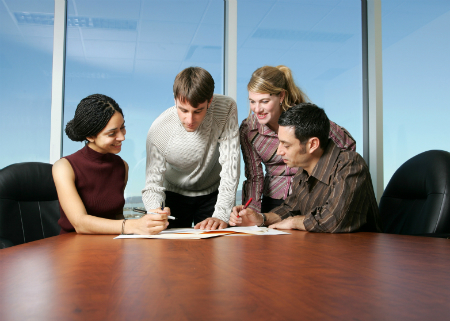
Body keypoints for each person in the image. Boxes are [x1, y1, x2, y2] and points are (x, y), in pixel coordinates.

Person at [230, 103, 382, 233]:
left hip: (359, 256)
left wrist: (294, 222)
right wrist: (261, 218)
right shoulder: (303, 170)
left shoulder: (349, 164)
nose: (279, 151)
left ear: (312, 145)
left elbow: (333, 219)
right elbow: (290, 208)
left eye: (286, 145)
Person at [240, 65, 356, 213]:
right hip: (274, 200)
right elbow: (254, 177)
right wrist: (250, 212)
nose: (257, 109)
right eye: (252, 101)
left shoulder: (304, 117)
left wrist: (327, 184)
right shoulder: (248, 130)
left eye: (264, 101)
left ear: (281, 96)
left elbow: (347, 146)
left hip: (311, 195)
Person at [53, 94, 169, 235]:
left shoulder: (122, 166)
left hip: (111, 247)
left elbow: (117, 218)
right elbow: (80, 224)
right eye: (112, 133)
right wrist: (134, 225)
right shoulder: (64, 167)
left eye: (122, 128)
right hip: (73, 249)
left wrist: (149, 220)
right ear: (90, 136)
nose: (122, 137)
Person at [142, 67, 240, 230]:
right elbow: (152, 184)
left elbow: (231, 166)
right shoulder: (159, 130)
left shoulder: (226, 108)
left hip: (214, 193)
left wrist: (221, 214)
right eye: (183, 110)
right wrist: (155, 211)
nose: (190, 119)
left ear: (210, 101)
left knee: (218, 248)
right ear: (175, 100)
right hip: (174, 195)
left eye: (198, 111)